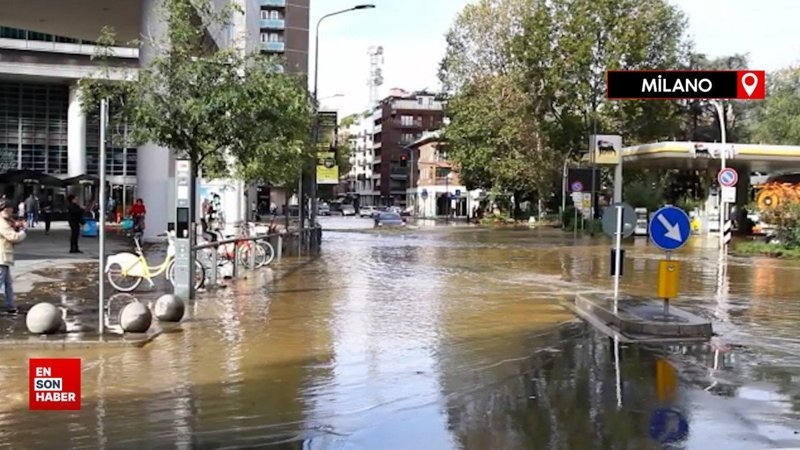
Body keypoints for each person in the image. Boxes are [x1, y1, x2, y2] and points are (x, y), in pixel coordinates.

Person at [0, 200, 26, 314]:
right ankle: (11, 305)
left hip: (4, 257)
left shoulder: (5, 221)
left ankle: (11, 306)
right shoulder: (1, 223)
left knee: (8, 284)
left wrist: (16, 227)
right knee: (2, 282)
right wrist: (23, 231)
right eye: (11, 209)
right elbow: (13, 237)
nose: (12, 212)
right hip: (1, 257)